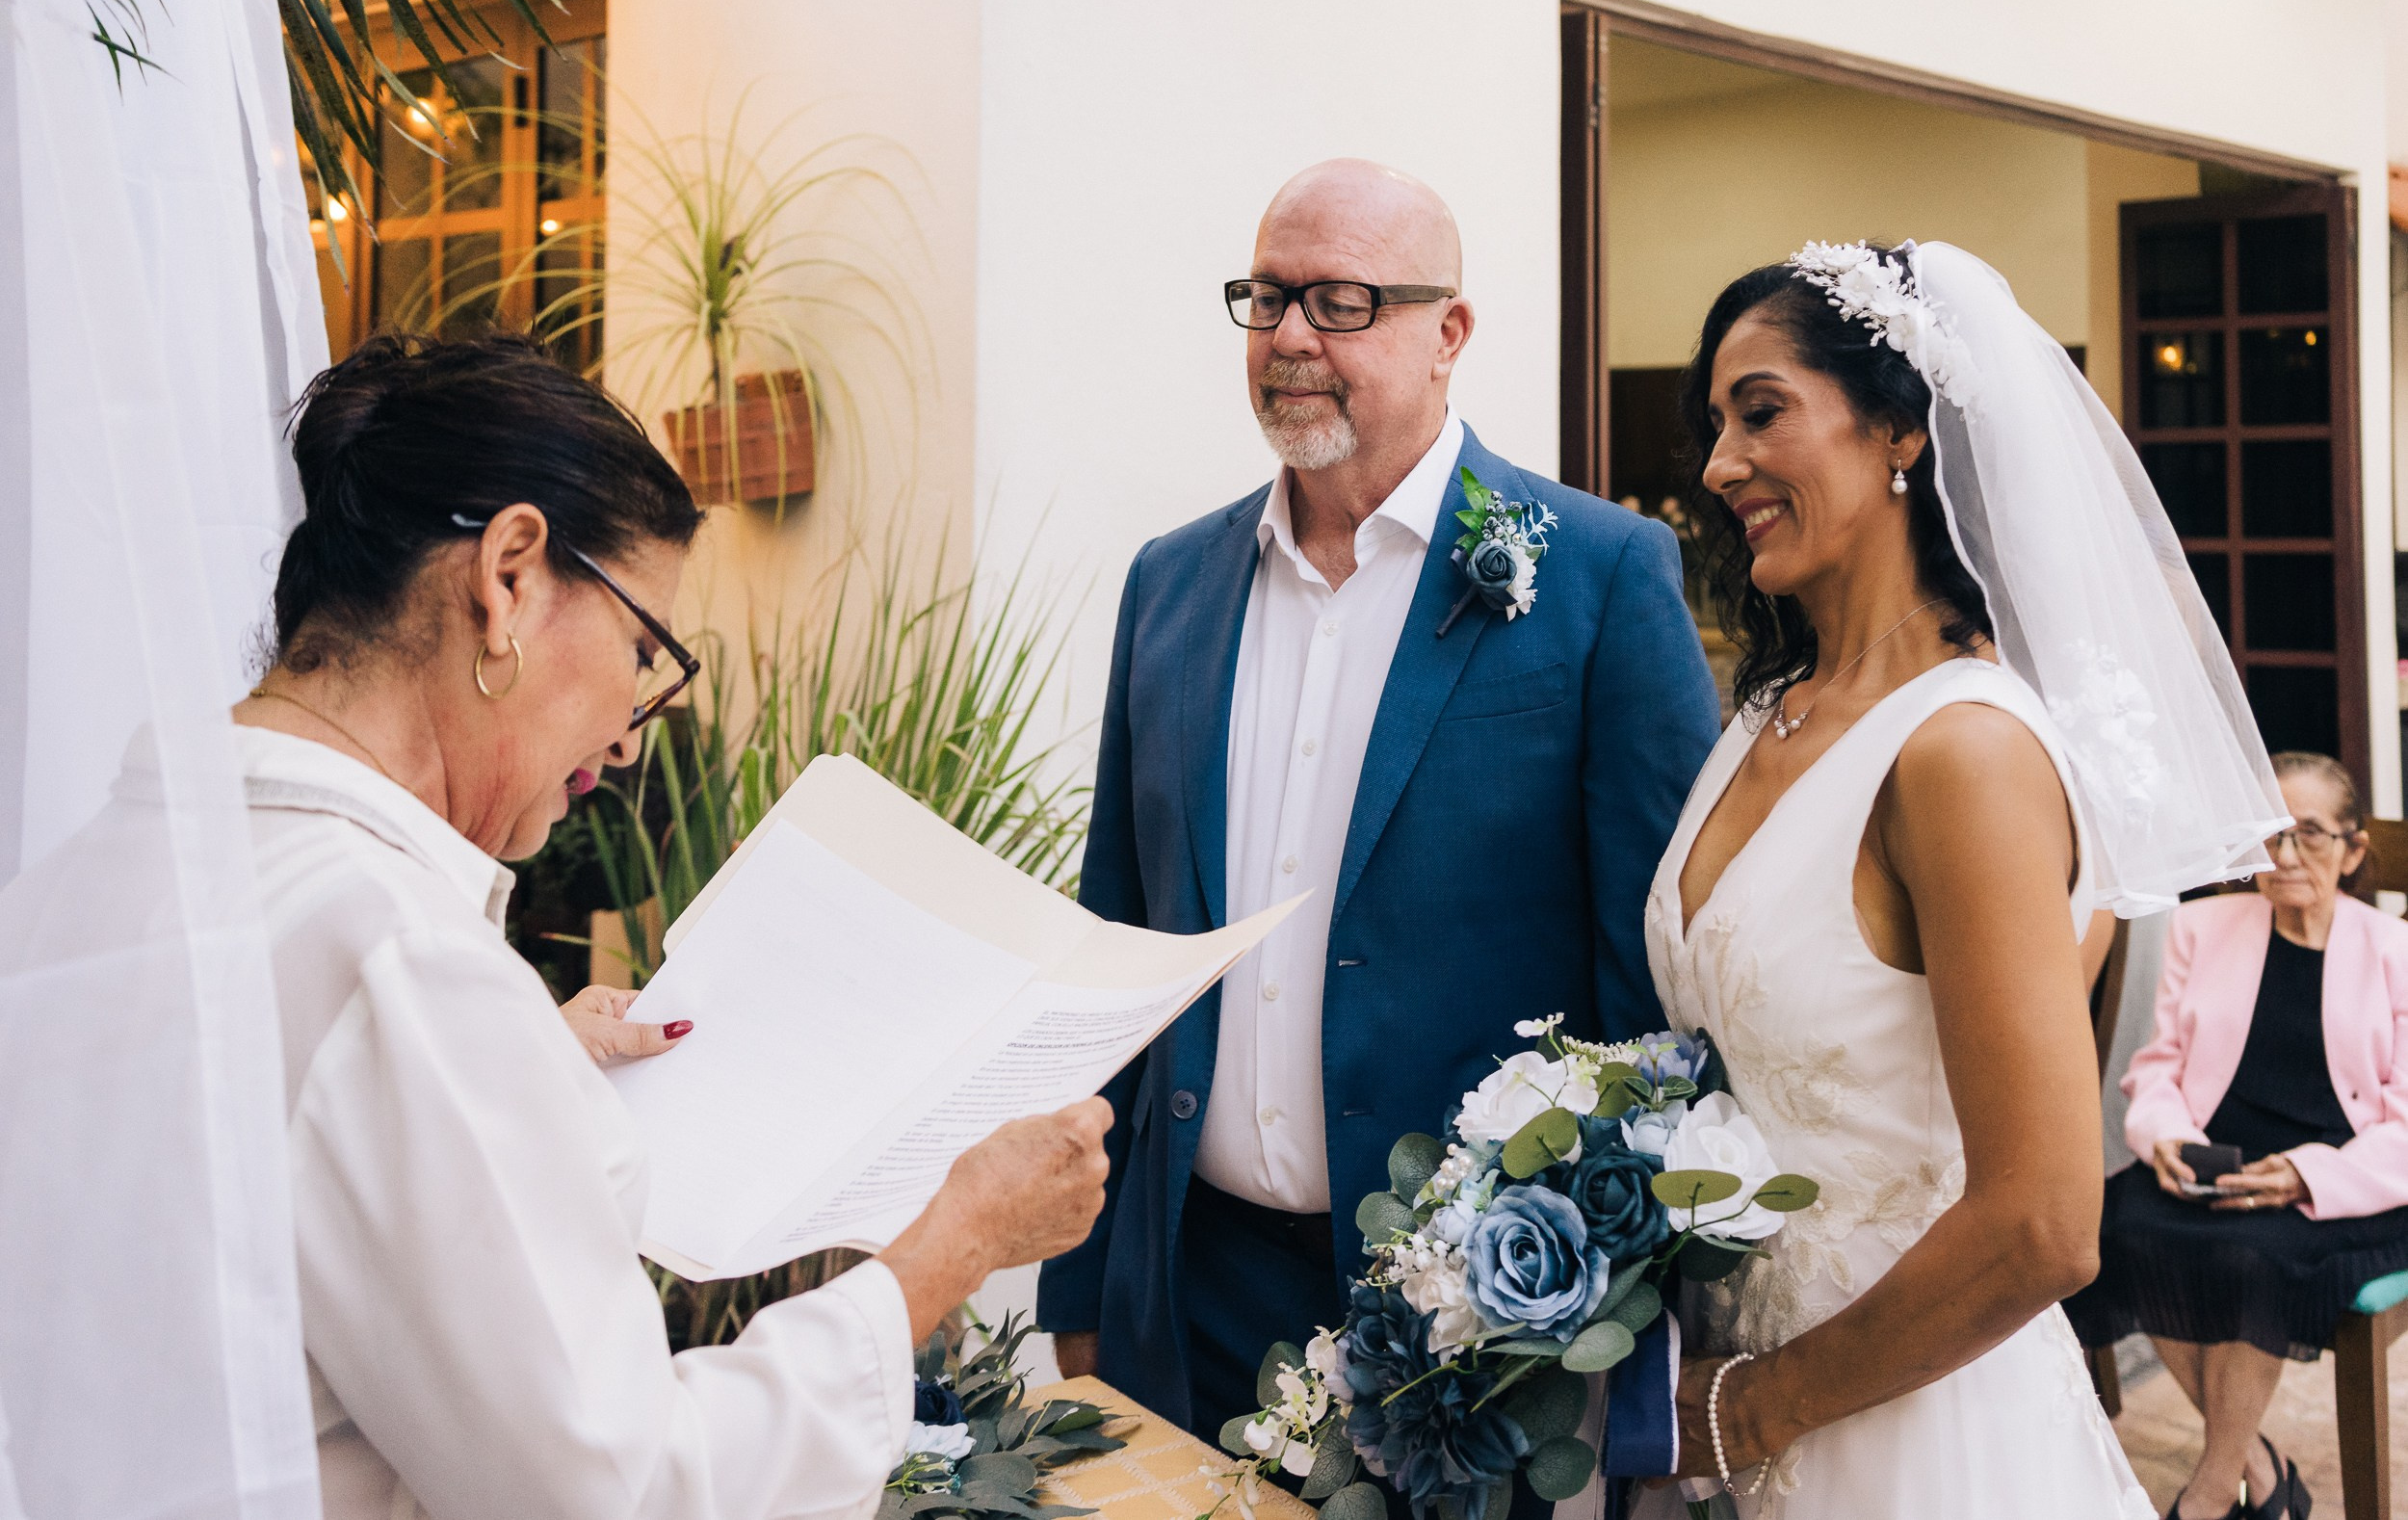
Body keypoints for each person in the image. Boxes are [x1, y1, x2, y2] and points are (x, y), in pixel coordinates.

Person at [0, 333, 1112, 1520]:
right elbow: (618, 1489)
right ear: (510, 574)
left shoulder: (84, 877)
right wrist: (948, 1247)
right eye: (645, 650)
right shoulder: (400, 962)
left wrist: (519, 1067)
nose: (634, 732)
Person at [1035, 156, 1723, 1487]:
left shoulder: (1594, 576)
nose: (1290, 336)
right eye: (1267, 298)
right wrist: (1082, 1275)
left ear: (1449, 332)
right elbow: (1113, 936)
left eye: (1340, 301)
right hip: (1194, 1284)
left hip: (1481, 1320)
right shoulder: (1170, 584)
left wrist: (1601, 1308)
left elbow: (1657, 991)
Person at [1636, 242, 2284, 1519]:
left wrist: (1746, 1405)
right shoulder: (1765, 713)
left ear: (1898, 428)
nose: (1718, 466)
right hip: (1720, 1386)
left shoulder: (1966, 751)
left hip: (1907, 1422)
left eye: (1759, 410)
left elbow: (2044, 1221)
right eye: (1714, 425)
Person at [2069, 751, 2408, 1520]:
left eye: (2310, 836)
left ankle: (2214, 1491)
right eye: (2270, 837)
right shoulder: (2200, 925)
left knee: (2253, 1259)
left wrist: (2305, 1174)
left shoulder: (2395, 952)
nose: (2285, 858)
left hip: (2342, 1181)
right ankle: (2258, 1464)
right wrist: (2165, 1136)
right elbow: (2157, 1069)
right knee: (2108, 1230)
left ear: (2353, 850)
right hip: (2215, 1161)